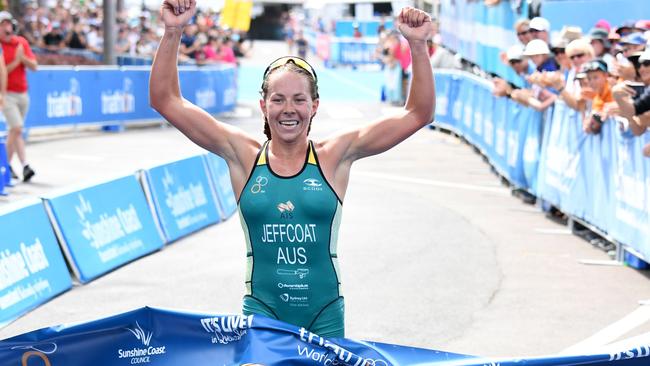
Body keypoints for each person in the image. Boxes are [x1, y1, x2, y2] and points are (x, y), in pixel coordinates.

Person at [150, 0, 434, 338]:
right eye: (278, 99)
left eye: (299, 99)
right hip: (262, 313)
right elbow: (165, 100)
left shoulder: (334, 156)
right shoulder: (243, 155)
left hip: (324, 317)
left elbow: (418, 114)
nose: (289, 109)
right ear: (263, 105)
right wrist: (173, 30)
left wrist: (418, 44)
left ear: (314, 106)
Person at [0, 11, 37, 182]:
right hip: (7, 94)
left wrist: (22, 58)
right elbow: (2, 73)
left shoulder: (21, 42)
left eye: (8, 24)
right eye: (3, 24)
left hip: (23, 93)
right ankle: (5, 166)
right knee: (17, 128)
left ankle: (23, 166)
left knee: (16, 132)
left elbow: (34, 66)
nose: (6, 27)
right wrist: (16, 61)